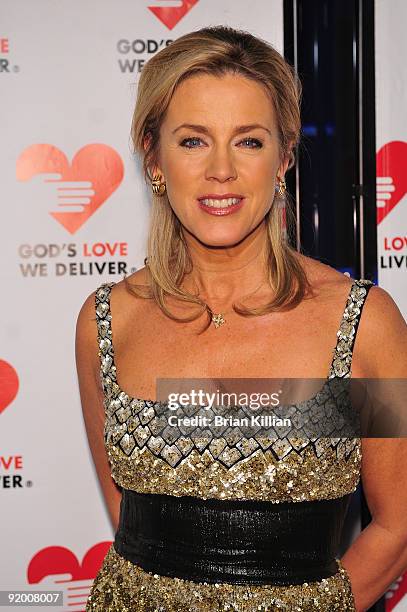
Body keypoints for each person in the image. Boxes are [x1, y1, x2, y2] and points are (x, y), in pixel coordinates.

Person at [75, 25, 407, 612]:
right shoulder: (108, 321)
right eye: (194, 141)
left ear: (282, 158)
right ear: (154, 155)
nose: (221, 170)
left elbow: (397, 526)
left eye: (249, 141)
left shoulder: (360, 324)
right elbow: (130, 523)